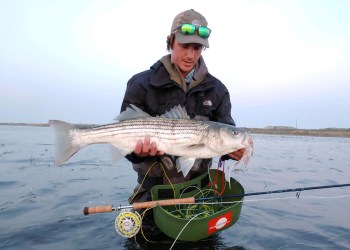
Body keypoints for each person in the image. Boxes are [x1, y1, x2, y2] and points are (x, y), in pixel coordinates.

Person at [120, 9, 246, 205]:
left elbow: (224, 133)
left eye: (197, 48)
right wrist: (138, 152)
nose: (190, 55)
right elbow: (127, 147)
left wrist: (233, 152)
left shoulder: (218, 90)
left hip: (199, 193)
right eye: (184, 46)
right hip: (151, 194)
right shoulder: (141, 83)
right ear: (170, 42)